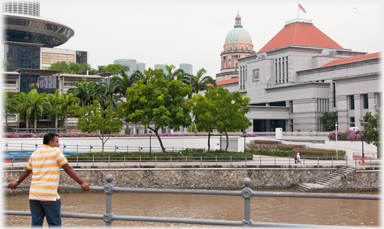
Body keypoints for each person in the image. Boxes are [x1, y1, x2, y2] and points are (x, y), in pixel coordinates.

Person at [8, 133, 90, 227]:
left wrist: (17, 182)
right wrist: (82, 182)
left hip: (34, 195)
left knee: (36, 224)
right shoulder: (56, 151)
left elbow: (27, 171)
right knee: (54, 224)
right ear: (51, 143)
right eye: (57, 141)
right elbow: (67, 168)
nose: (59, 144)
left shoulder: (34, 153)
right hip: (49, 195)